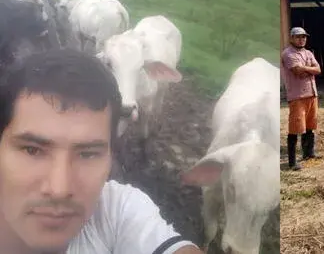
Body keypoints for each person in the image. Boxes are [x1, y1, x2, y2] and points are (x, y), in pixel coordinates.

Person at [0, 48, 201, 254]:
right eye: (32, 150)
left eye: (87, 154)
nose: (59, 190)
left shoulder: (117, 212)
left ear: (110, 156)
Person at [281, 27, 322, 171]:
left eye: (304, 37)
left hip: (311, 93)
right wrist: (309, 68)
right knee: (295, 128)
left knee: (310, 125)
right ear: (292, 38)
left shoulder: (308, 53)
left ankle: (308, 153)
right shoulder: (287, 54)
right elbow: (297, 72)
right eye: (298, 37)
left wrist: (306, 69)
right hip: (297, 96)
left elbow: (318, 69)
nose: (302, 39)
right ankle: (292, 162)